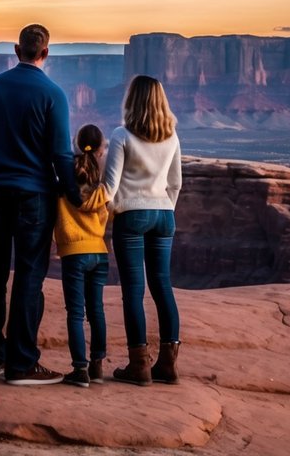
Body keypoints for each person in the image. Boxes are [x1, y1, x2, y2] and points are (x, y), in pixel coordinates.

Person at [0, 22, 82, 386]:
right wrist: (75, 195)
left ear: (17, 50)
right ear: (45, 53)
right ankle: (22, 363)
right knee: (30, 275)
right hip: (35, 198)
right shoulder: (53, 94)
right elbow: (62, 155)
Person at [104, 75, 182, 386]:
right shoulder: (172, 137)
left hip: (131, 215)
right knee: (163, 286)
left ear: (132, 100)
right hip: (164, 214)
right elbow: (176, 183)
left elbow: (109, 188)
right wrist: (164, 208)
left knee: (133, 292)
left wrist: (114, 212)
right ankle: (168, 366)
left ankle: (140, 367)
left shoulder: (122, 136)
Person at [54, 123, 110, 388]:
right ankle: (98, 365)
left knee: (76, 313)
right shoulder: (102, 185)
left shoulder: (64, 182)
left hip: (74, 253)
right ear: (100, 150)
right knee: (96, 310)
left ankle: (80, 370)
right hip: (99, 253)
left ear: (77, 144)